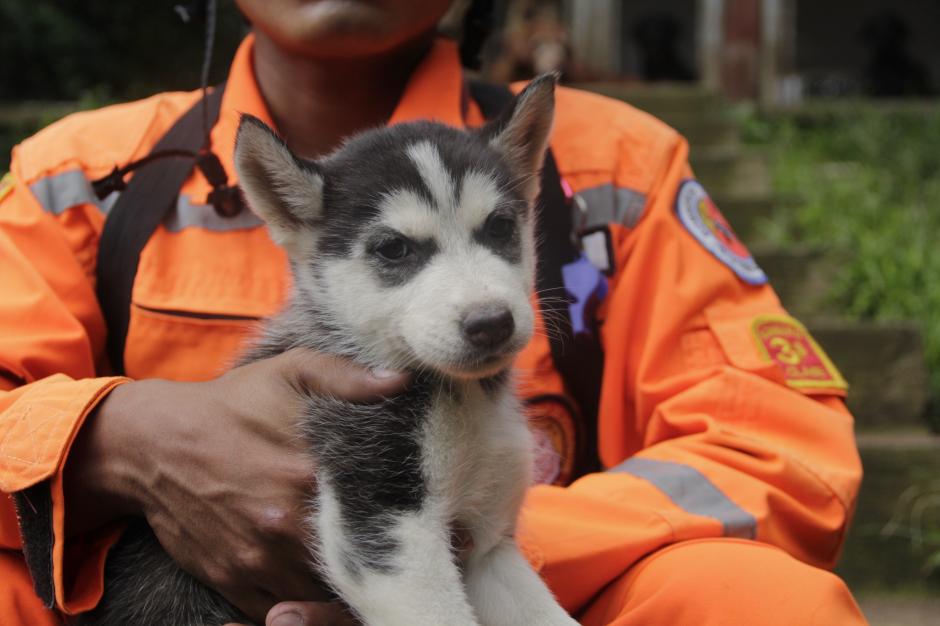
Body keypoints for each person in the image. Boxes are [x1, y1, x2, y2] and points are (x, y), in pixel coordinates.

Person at [0, 1, 867, 625]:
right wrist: (119, 439)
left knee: (762, 603)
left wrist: (469, 534)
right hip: (163, 595)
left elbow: (780, 454)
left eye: (499, 231)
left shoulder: (617, 168)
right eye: (396, 250)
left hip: (532, 585)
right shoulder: (79, 178)